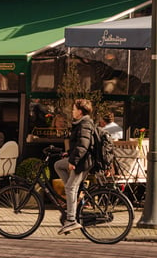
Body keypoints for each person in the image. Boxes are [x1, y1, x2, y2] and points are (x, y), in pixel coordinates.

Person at [54, 98, 95, 235]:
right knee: (58, 165)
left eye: (74, 109)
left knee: (70, 187)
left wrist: (73, 161)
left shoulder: (85, 123)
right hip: (78, 159)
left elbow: (83, 145)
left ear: (80, 111)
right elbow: (78, 144)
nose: (72, 111)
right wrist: (69, 154)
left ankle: (71, 220)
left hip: (82, 163)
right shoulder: (80, 123)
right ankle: (73, 194)